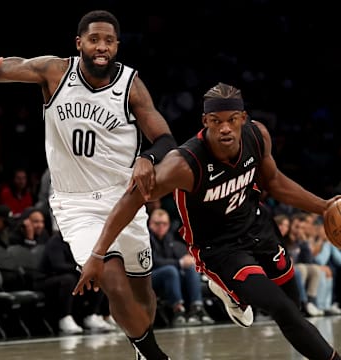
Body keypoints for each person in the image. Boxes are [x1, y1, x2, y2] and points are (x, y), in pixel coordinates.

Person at [74, 82, 341, 359]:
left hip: (258, 228)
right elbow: (131, 200)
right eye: (216, 121)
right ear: (205, 122)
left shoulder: (257, 136)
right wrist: (97, 253)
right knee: (282, 309)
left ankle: (234, 294)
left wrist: (323, 207)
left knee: (293, 306)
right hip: (221, 248)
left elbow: (274, 182)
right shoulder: (184, 164)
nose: (225, 128)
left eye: (231, 120)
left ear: (243, 119)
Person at [0, 10, 178, 359]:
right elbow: (10, 66)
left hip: (124, 200)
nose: (101, 46)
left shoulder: (130, 84)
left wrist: (148, 157)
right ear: (79, 43)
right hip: (76, 204)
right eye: (94, 39)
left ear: (117, 46)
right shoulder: (55, 71)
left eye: (108, 40)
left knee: (142, 295)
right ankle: (153, 355)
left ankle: (140, 346)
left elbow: (164, 137)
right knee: (113, 283)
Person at [148, 208, 214, 326]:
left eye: (164, 224)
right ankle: (178, 311)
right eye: (157, 223)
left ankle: (197, 308)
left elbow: (181, 256)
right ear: (150, 224)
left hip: (172, 277)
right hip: (150, 277)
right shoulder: (147, 239)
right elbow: (153, 261)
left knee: (191, 267)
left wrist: (188, 260)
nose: (161, 226)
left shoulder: (170, 238)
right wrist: (179, 263)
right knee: (171, 270)